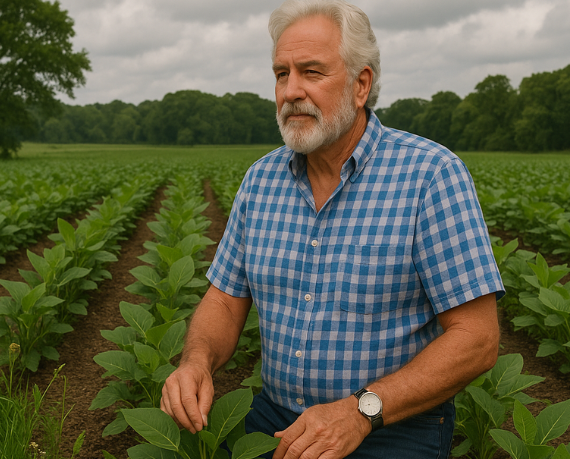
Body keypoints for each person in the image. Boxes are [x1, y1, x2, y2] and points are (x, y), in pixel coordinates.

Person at [160, 0, 505, 457]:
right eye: (281, 74)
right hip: (277, 419)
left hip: (390, 425)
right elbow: (225, 299)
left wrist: (359, 411)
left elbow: (477, 338)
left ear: (361, 84)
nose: (291, 91)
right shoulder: (261, 180)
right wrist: (196, 362)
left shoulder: (430, 175)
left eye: (311, 72)